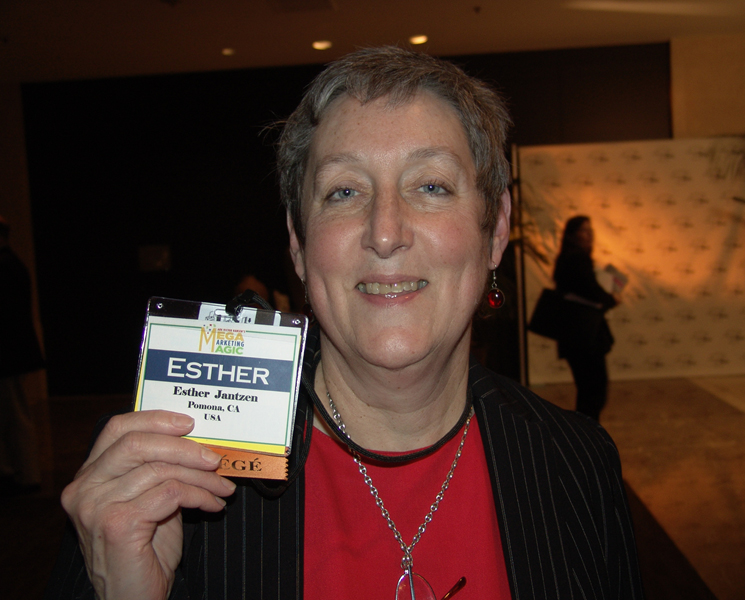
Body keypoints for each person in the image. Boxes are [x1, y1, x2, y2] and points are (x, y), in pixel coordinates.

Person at [46, 47, 642, 599]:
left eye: (431, 186)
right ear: (299, 244)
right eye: (343, 192)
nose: (385, 232)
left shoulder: (577, 462)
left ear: (497, 226)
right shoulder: (168, 476)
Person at [553, 216, 619, 422]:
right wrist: (610, 299)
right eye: (584, 231)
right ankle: (587, 439)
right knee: (594, 392)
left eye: (590, 230)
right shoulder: (577, 258)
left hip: (575, 335)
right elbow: (591, 290)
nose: (589, 235)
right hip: (584, 335)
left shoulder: (566, 258)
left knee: (587, 390)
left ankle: (585, 437)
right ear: (572, 236)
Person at [0, 215, 44, 496]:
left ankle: (27, 474)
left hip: (8, 356)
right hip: (11, 355)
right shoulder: (11, 263)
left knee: (15, 415)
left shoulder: (6, 265)